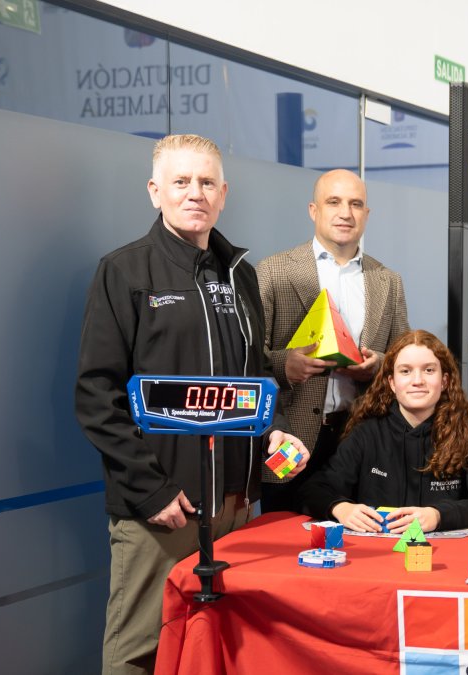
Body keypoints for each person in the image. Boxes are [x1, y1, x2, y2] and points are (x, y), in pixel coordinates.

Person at [74, 134, 309, 675]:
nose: (194, 193)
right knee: (141, 649)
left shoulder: (240, 274)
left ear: (224, 193)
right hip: (164, 506)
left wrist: (269, 431)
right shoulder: (125, 272)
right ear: (155, 191)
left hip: (234, 503)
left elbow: (247, 379)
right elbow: (95, 394)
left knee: (223, 642)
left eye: (206, 182)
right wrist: (150, 490)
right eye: (181, 182)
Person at [255, 169, 410, 513]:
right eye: (334, 202)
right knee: (283, 534)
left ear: (366, 215)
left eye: (356, 204)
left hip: (362, 435)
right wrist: (285, 364)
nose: (345, 213)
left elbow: (405, 357)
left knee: (362, 538)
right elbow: (248, 357)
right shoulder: (273, 271)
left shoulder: (388, 280)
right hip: (290, 435)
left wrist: (379, 364)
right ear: (314, 210)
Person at [301, 330, 468, 532]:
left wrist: (438, 515)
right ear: (392, 383)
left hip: (444, 558)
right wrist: (341, 509)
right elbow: (315, 489)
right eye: (405, 371)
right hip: (377, 556)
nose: (417, 380)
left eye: (429, 370)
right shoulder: (368, 432)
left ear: (445, 381)